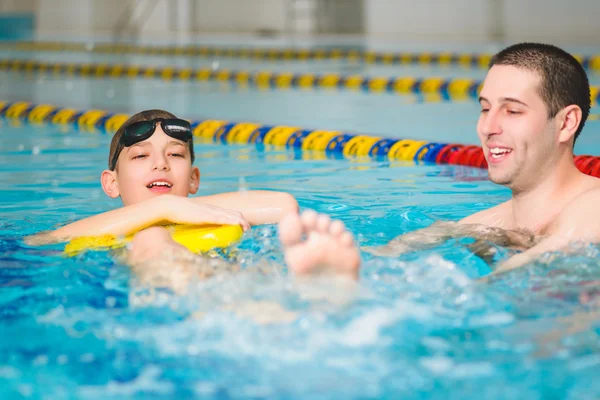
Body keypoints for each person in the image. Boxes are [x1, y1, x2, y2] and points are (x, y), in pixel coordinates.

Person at [278, 42, 600, 279]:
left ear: (566, 123)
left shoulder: (593, 205)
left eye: (512, 110)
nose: (487, 128)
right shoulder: (488, 223)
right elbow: (383, 257)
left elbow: (511, 279)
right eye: (485, 108)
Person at [27, 109, 300, 270]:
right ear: (112, 183)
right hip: (157, 292)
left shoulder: (206, 214)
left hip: (222, 280)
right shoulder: (96, 228)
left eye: (176, 155)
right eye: (140, 156)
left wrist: (177, 207)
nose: (160, 164)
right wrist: (164, 206)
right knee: (152, 238)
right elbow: (38, 242)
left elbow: (284, 205)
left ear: (194, 179)